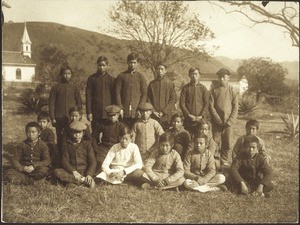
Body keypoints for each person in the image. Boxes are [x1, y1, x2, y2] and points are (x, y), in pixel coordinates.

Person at [49, 63, 82, 155]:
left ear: (71, 75)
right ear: (61, 74)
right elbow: (51, 103)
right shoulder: (56, 87)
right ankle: (60, 157)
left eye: (69, 74)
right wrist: (52, 118)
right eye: (65, 74)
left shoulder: (74, 87)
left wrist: (79, 116)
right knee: (60, 137)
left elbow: (79, 103)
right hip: (59, 118)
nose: (67, 76)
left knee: (72, 136)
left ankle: (71, 156)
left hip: (72, 118)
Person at [53, 121, 96, 189]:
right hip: (72, 172)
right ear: (71, 133)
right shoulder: (67, 145)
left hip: (84, 171)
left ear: (83, 133)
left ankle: (79, 182)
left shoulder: (87, 144)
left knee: (69, 185)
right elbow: (64, 161)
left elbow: (92, 161)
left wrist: (89, 174)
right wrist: (74, 172)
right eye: (75, 132)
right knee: (57, 172)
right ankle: (83, 181)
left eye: (79, 132)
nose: (77, 135)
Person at [209, 68, 239, 167]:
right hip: (217, 122)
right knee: (216, 141)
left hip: (228, 122)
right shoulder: (214, 91)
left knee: (227, 142)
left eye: (223, 77)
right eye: (219, 77)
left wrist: (230, 121)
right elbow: (211, 106)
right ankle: (216, 159)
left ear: (228, 78)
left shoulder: (232, 90)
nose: (221, 79)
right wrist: (217, 119)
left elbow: (235, 107)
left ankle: (224, 159)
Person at [92, 105, 128, 174]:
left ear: (118, 115)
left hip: (116, 148)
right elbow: (94, 136)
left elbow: (125, 138)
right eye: (110, 116)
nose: (112, 117)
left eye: (114, 115)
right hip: (104, 148)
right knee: (100, 162)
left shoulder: (121, 126)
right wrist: (96, 147)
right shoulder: (102, 124)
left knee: (117, 164)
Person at [115, 52, 147, 128]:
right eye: (130, 62)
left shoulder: (140, 77)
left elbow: (144, 93)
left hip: (136, 111)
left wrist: (140, 108)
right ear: (127, 63)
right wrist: (120, 107)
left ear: (137, 63)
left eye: (134, 63)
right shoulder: (121, 76)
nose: (132, 65)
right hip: (123, 111)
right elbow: (117, 93)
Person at [86, 56, 115, 136]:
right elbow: (88, 96)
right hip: (96, 113)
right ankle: (95, 148)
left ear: (107, 66)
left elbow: (114, 97)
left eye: (103, 65)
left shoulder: (111, 80)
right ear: (97, 65)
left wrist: (113, 112)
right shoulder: (91, 79)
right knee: (95, 134)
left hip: (108, 113)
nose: (101, 67)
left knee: (108, 134)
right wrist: (89, 112)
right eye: (100, 65)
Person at [180, 67, 209, 138]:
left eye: (196, 74)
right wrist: (188, 115)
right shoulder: (185, 88)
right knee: (189, 139)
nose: (194, 76)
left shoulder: (203, 88)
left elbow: (206, 103)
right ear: (189, 75)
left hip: (201, 120)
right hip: (189, 120)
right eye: (192, 74)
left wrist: (201, 116)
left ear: (199, 75)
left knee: (200, 139)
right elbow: (182, 103)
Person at [147, 63, 177, 130]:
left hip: (166, 116)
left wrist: (164, 112)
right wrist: (153, 111)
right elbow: (148, 99)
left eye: (162, 69)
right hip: (154, 115)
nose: (160, 71)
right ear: (156, 70)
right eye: (158, 69)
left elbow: (173, 99)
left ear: (165, 71)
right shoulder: (151, 84)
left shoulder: (170, 83)